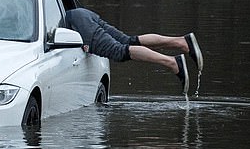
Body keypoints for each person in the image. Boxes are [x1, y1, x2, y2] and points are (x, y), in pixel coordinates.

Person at [65, 7, 203, 95]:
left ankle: (173, 62)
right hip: (82, 15)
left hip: (79, 25)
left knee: (119, 51)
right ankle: (182, 42)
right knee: (128, 41)